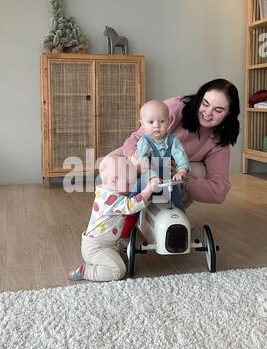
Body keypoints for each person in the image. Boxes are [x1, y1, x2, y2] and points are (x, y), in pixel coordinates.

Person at [122, 78, 240, 237]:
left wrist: (180, 175)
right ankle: (122, 219)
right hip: (141, 159)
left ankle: (174, 216)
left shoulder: (219, 139)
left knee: (197, 170)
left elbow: (219, 191)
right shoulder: (174, 108)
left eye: (218, 110)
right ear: (199, 99)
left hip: (172, 172)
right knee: (112, 169)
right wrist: (143, 163)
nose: (208, 113)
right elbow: (133, 142)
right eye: (205, 104)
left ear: (229, 113)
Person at [67, 155, 160, 282]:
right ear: (115, 180)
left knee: (123, 259)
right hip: (96, 248)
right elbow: (131, 205)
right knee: (118, 271)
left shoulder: (106, 191)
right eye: (128, 184)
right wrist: (149, 188)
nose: (131, 189)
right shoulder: (110, 199)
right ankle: (86, 271)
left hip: (108, 244)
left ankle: (106, 260)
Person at [131, 100, 191, 211]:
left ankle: (180, 221)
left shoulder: (172, 140)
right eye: (151, 122)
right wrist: (152, 177)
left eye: (162, 121)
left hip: (166, 178)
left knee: (177, 200)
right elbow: (143, 163)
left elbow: (181, 156)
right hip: (147, 177)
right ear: (142, 124)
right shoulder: (144, 142)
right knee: (135, 198)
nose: (157, 126)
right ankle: (127, 221)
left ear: (168, 122)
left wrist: (182, 170)